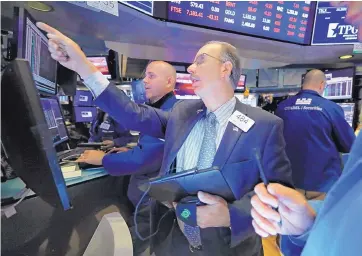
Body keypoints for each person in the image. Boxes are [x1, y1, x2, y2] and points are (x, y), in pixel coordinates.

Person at [38, 23, 293, 256]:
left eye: (200, 61)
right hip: (173, 240)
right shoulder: (183, 112)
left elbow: (280, 196)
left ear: (226, 68)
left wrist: (230, 215)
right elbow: (133, 114)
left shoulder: (264, 125)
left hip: (228, 247)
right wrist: (84, 67)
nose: (190, 68)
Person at [77, 60, 178, 207]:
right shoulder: (161, 108)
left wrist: (103, 159)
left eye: (151, 76)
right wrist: (130, 150)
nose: (145, 80)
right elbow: (154, 151)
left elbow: (142, 160)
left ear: (169, 81)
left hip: (151, 205)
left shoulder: (171, 113)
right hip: (145, 199)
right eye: (145, 76)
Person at [275, 69, 355, 197]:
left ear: (303, 83)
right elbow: (350, 145)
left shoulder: (282, 107)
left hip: (290, 184)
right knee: (318, 216)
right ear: (322, 84)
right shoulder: (331, 108)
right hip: (321, 185)